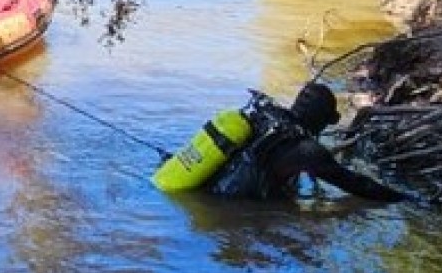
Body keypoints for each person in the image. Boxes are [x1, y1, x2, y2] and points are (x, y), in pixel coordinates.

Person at [153, 81, 406, 202]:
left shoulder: (263, 115)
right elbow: (358, 185)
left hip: (203, 186)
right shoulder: (309, 151)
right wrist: (407, 200)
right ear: (321, 119)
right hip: (230, 206)